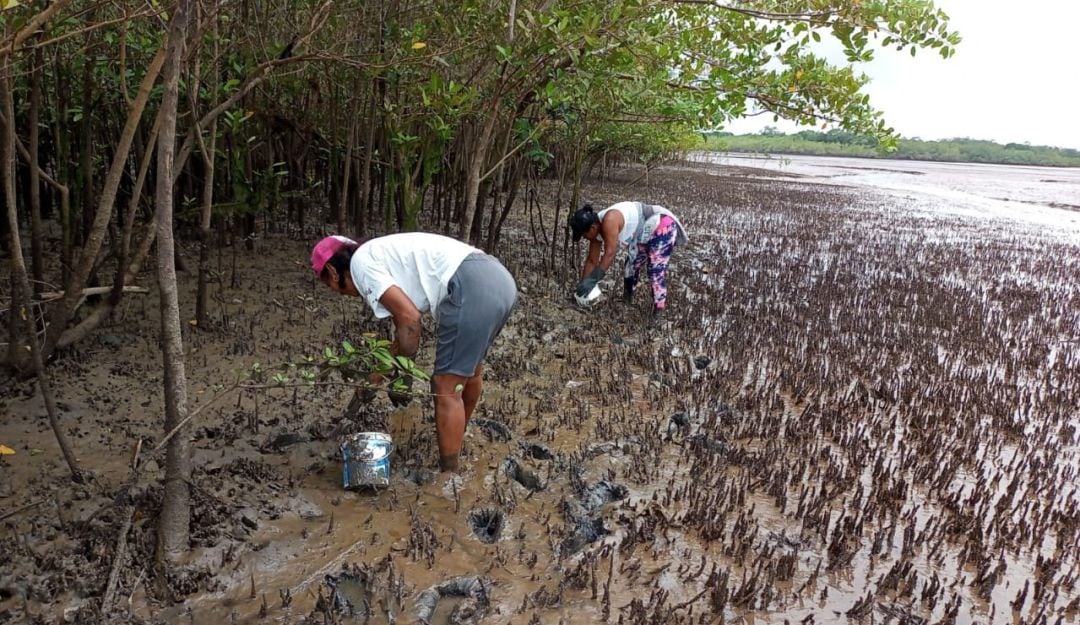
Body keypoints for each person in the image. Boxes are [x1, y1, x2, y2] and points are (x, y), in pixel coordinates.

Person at [311, 233, 517, 471]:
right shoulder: (377, 253)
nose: (337, 293)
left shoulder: (361, 265)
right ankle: (456, 436)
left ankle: (449, 477)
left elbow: (410, 322)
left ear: (333, 272)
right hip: (499, 279)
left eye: (329, 285)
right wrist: (376, 378)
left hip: (471, 287)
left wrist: (402, 378)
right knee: (470, 373)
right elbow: (403, 333)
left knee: (445, 388)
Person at [568, 201, 688, 317]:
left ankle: (659, 310)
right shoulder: (595, 231)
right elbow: (592, 261)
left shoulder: (609, 220)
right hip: (641, 233)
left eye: (584, 235)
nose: (584, 238)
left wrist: (593, 280)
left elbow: (610, 254)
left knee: (655, 270)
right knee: (630, 266)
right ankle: (627, 299)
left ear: (592, 228)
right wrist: (583, 286)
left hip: (660, 223)